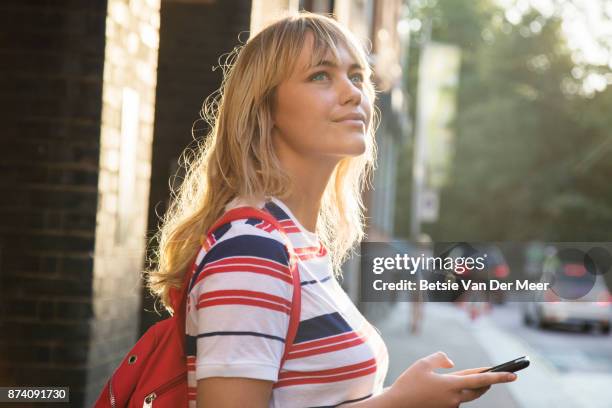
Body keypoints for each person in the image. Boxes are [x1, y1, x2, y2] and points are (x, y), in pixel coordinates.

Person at [146, 11, 517, 408]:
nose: (353, 92)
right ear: (266, 109)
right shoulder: (253, 253)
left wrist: (407, 396)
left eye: (357, 76)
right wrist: (397, 404)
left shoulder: (296, 243)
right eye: (321, 75)